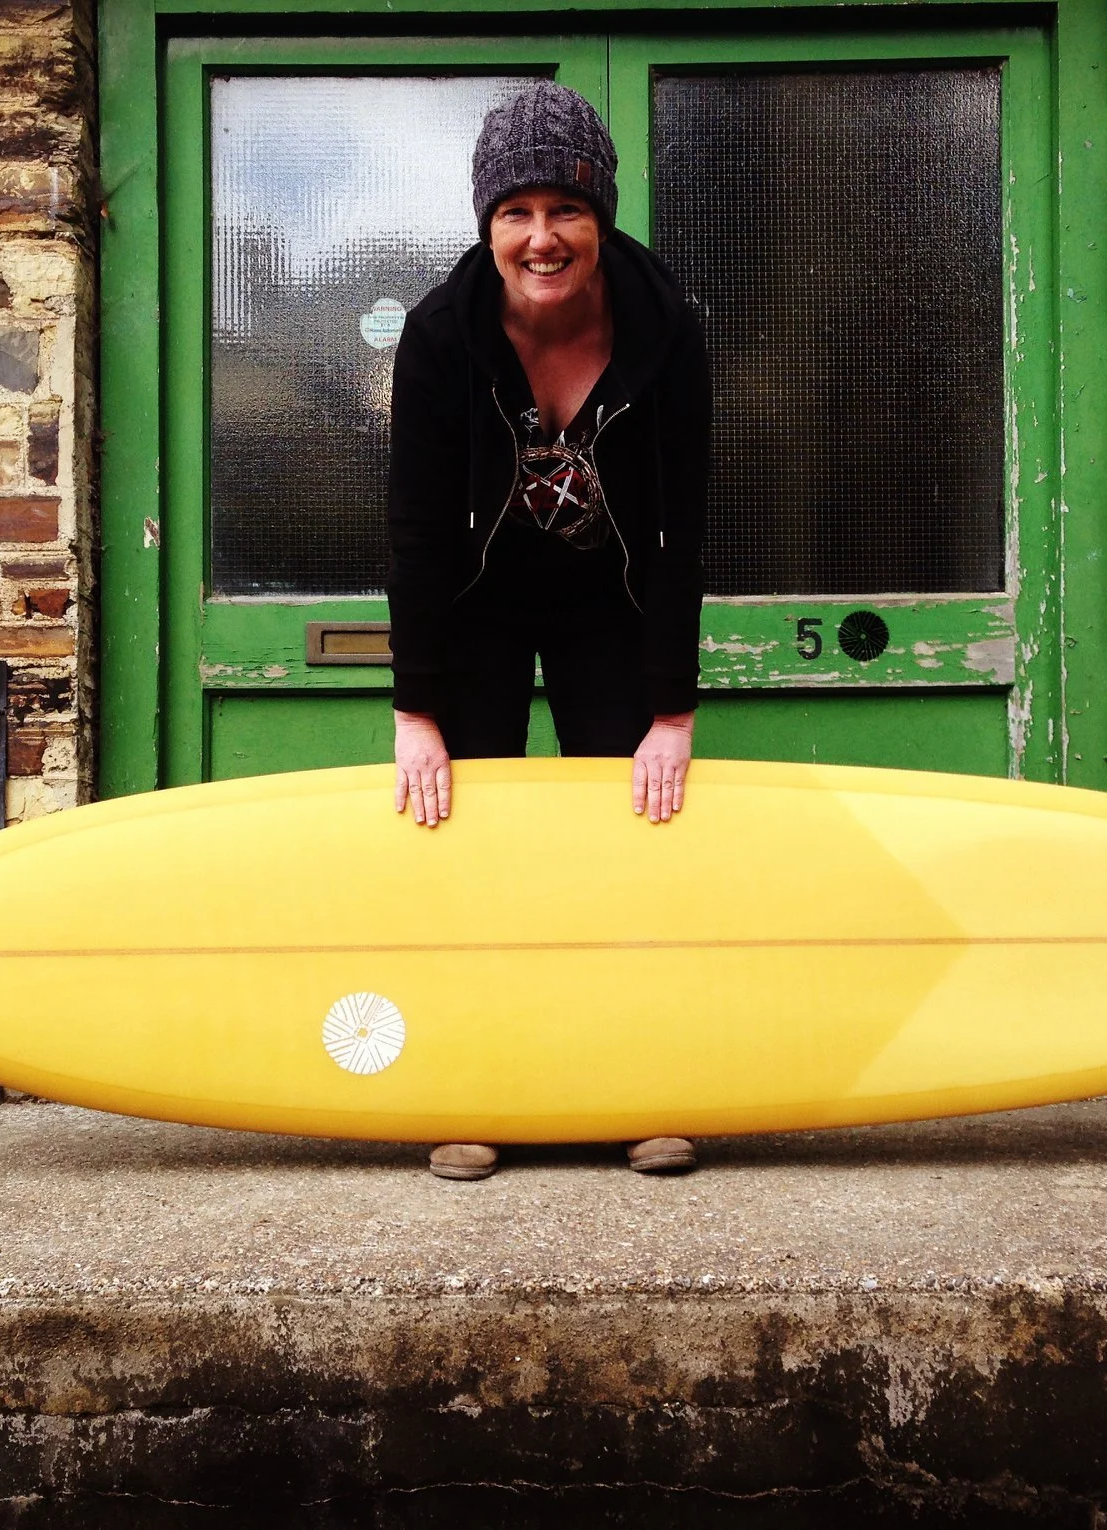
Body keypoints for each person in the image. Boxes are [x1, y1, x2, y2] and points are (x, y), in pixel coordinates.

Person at [384, 82, 712, 1183]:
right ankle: (471, 1088)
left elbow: (680, 529)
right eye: (515, 212)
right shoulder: (440, 337)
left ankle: (634, 1088)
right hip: (477, 603)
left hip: (604, 602)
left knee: (625, 842)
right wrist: (415, 711)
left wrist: (670, 710)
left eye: (565, 208)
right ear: (486, 224)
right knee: (462, 840)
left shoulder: (665, 332)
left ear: (600, 216)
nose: (541, 237)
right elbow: (417, 531)